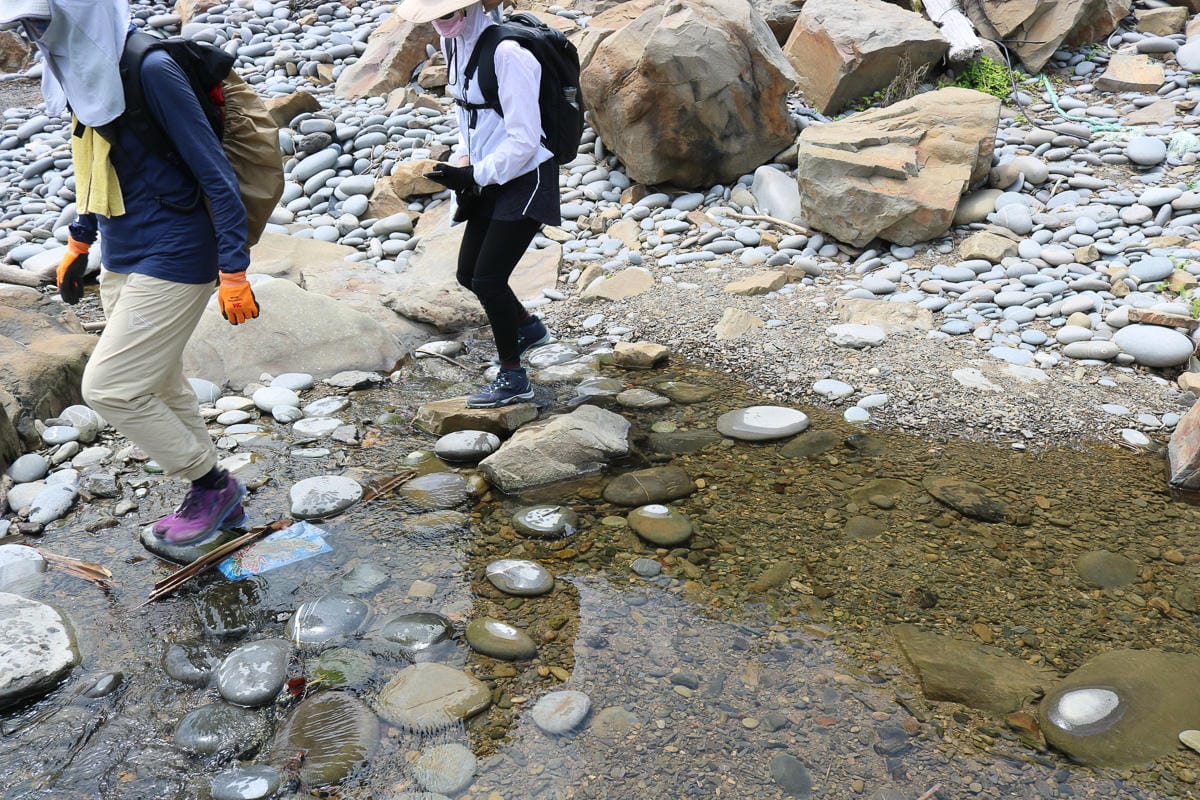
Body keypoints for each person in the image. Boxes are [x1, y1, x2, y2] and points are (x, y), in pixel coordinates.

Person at [0, 0, 258, 546]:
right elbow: (94, 156)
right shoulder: (80, 65)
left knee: (111, 388)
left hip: (179, 248)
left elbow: (216, 175)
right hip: (123, 248)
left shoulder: (150, 69)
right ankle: (214, 500)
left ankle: (212, 486)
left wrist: (233, 268)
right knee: (158, 380)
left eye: (37, 21)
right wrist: (80, 239)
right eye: (24, 25)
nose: (30, 34)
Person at [396, 0, 559, 408]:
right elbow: (467, 114)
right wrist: (464, 167)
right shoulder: (453, 45)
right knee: (468, 274)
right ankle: (527, 328)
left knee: (488, 278)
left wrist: (475, 175)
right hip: (487, 173)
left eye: (448, 14)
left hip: (527, 176)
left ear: (471, 8)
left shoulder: (509, 55)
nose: (441, 23)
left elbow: (525, 140)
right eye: (435, 16)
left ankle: (513, 377)